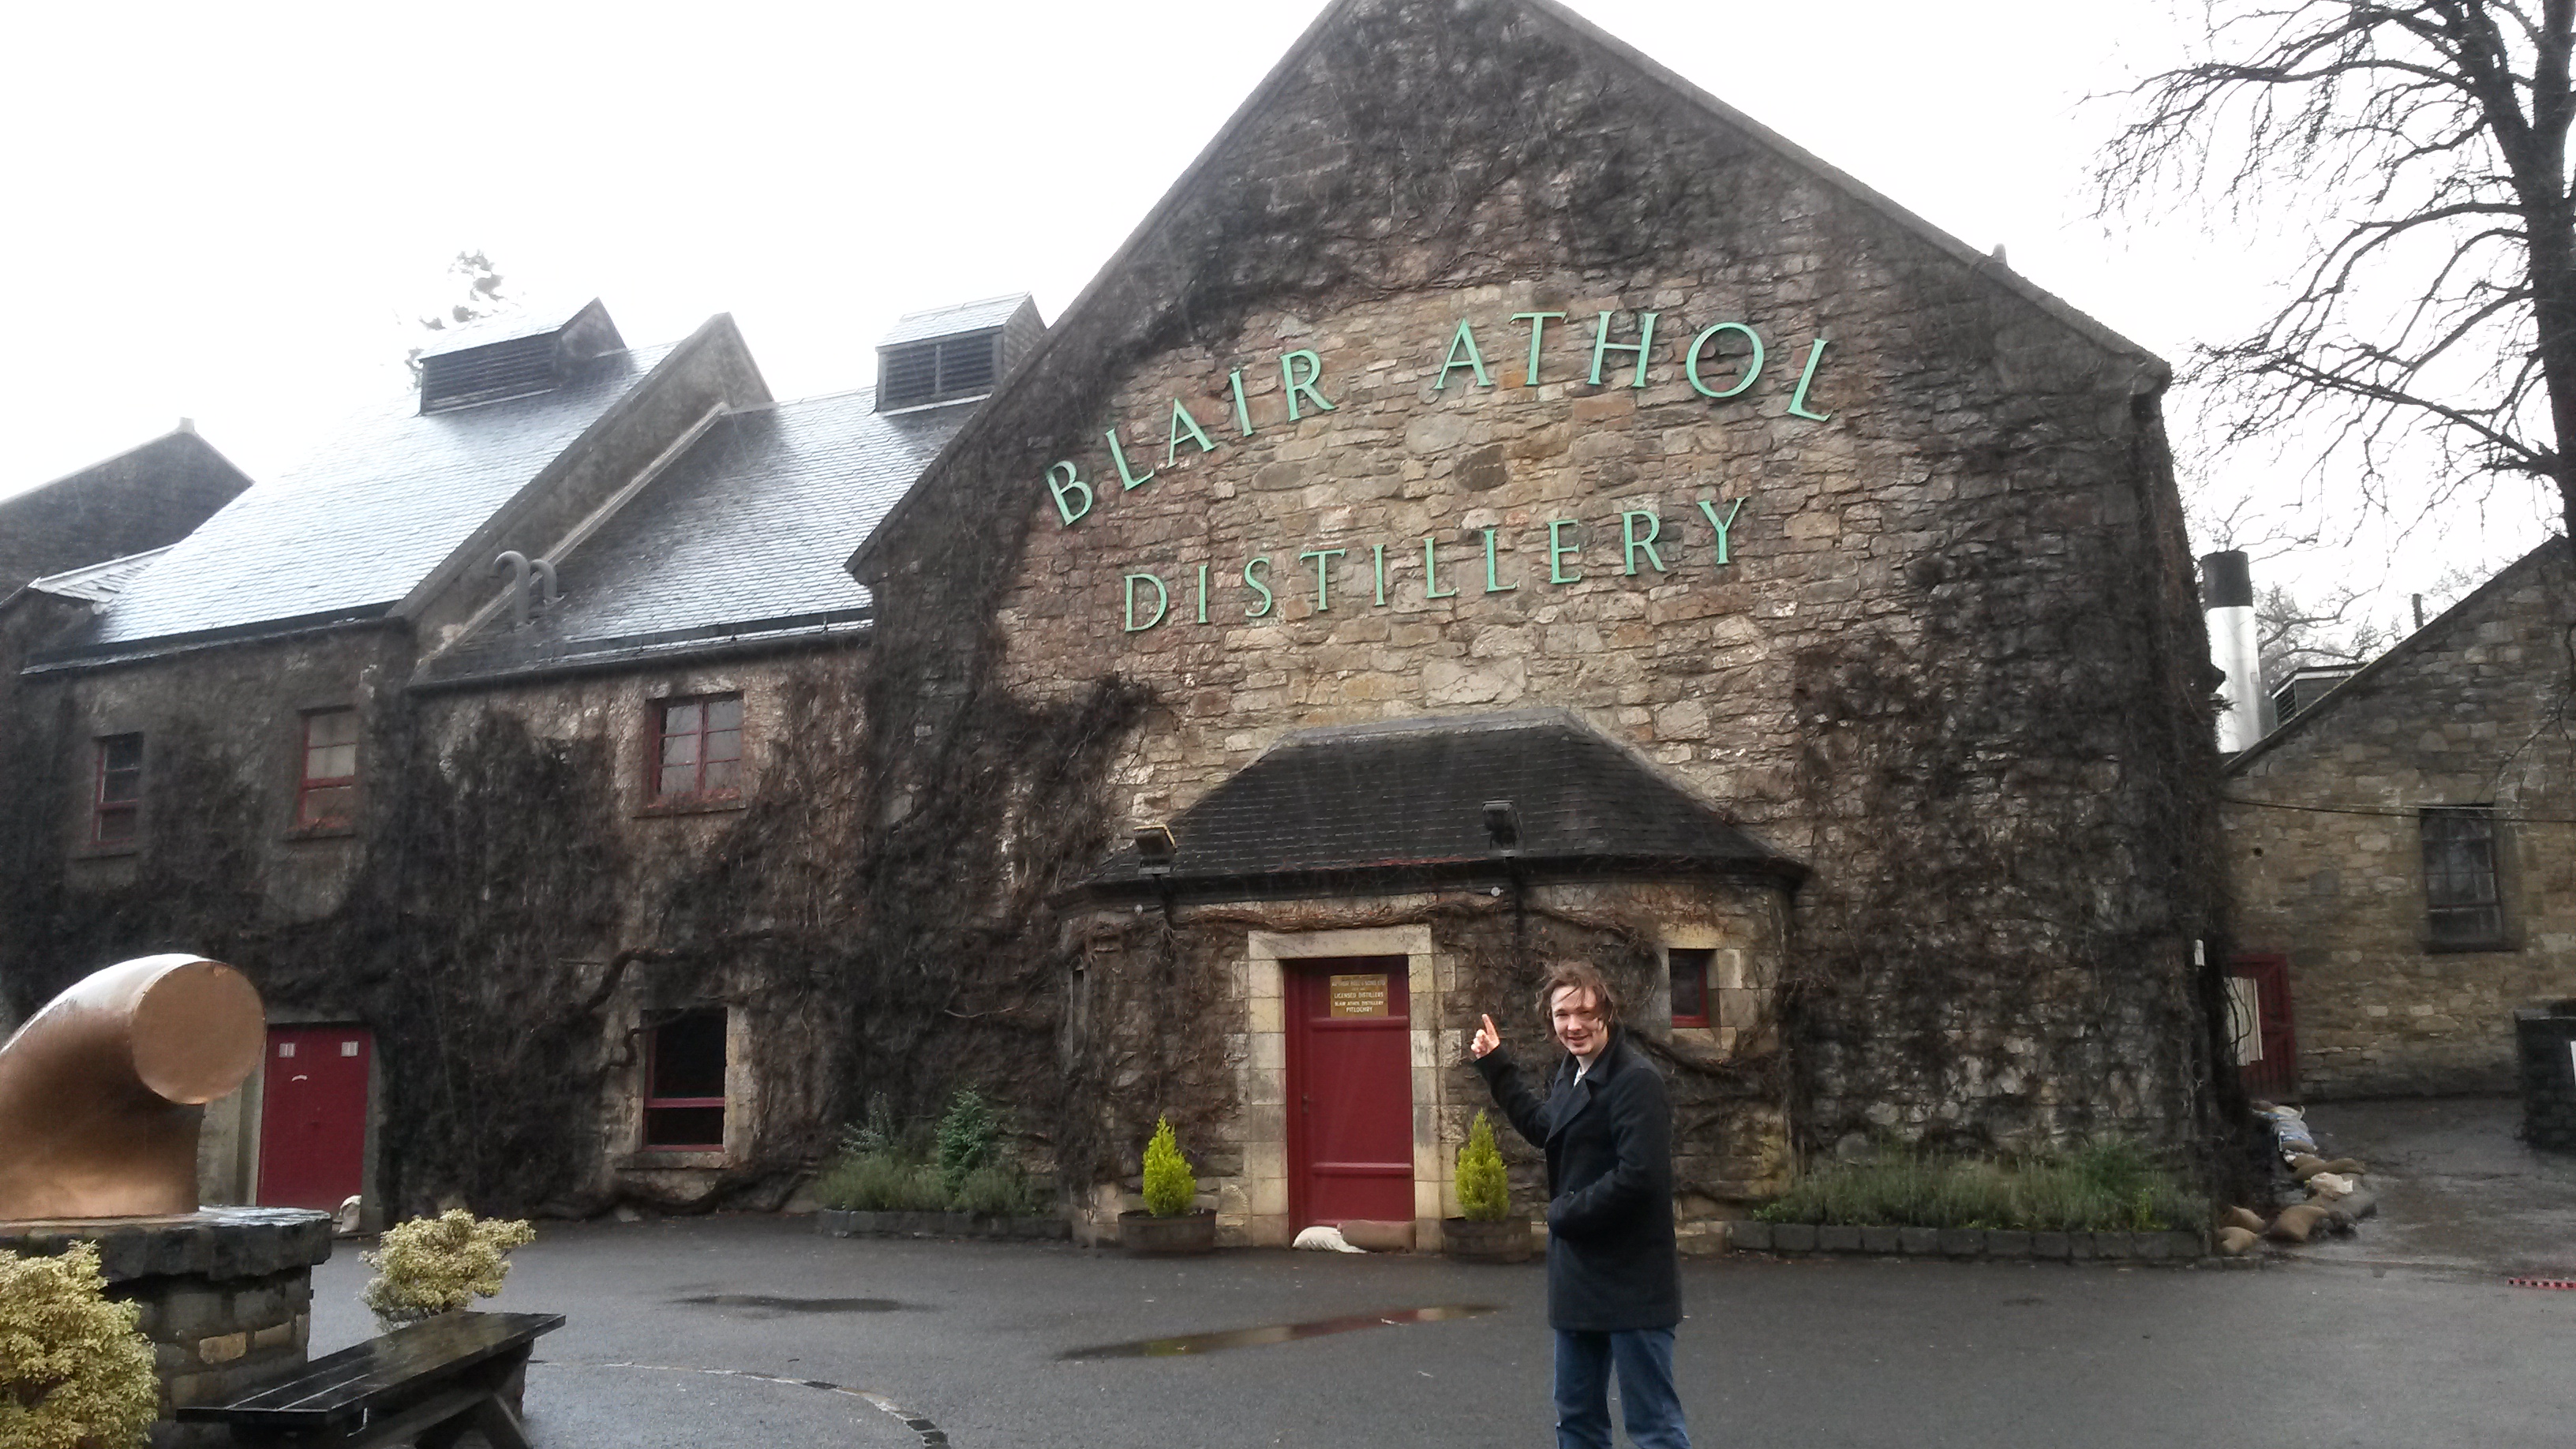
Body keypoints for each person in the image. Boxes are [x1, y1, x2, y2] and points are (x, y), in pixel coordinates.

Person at [1470, 962, 1687, 1449]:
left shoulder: (1637, 1081)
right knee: (1578, 1419)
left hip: (1634, 1280)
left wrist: (1564, 1213)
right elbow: (1544, 1127)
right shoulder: (1573, 1071)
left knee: (1653, 1426)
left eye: (1586, 1012)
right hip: (1579, 1280)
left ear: (1607, 1013)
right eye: (1563, 1014)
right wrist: (1497, 1064)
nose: (1574, 1025)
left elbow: (1640, 1177)